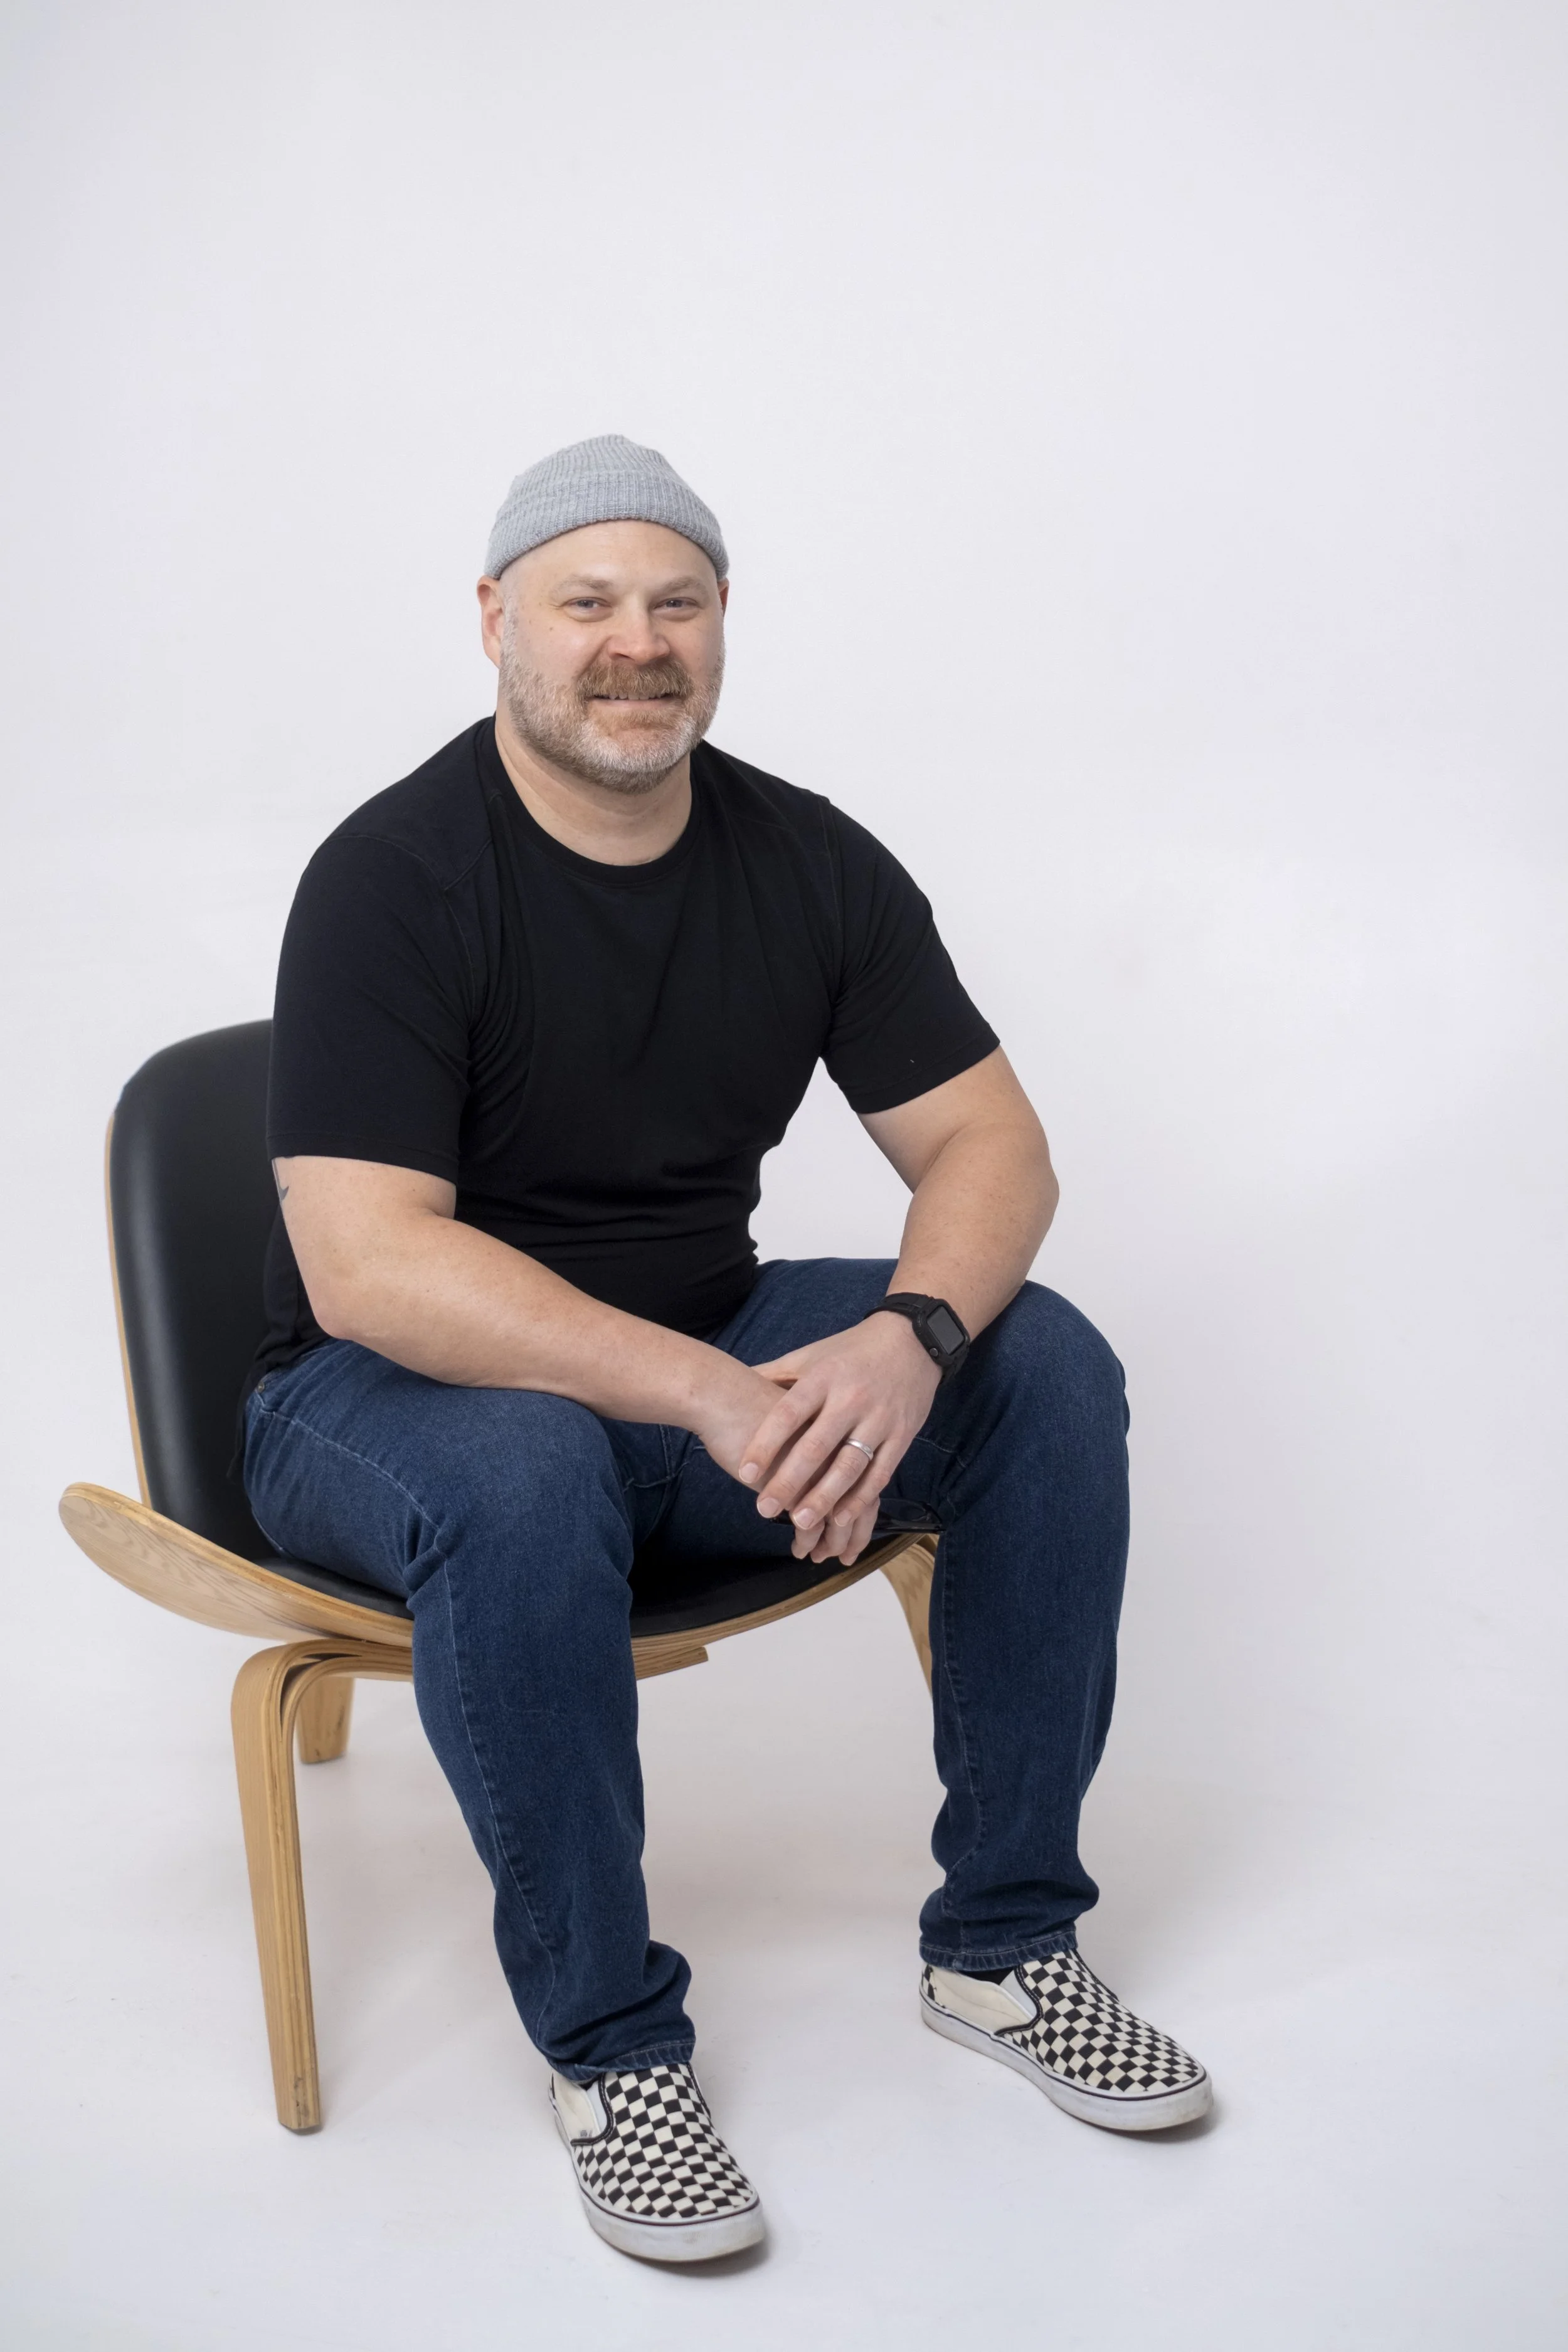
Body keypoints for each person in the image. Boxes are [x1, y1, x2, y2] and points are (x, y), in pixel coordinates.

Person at [241, 434, 1211, 2265]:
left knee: (1041, 1362)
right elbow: (368, 1265)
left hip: (690, 1351)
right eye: (585, 601)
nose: (634, 642)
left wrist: (913, 1337)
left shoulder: (805, 859)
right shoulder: (391, 874)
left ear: (721, 625)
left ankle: (1005, 1949)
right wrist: (705, 1386)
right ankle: (613, 2049)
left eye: (673, 601)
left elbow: (993, 1148)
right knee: (526, 1461)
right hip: (379, 1401)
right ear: (495, 624)